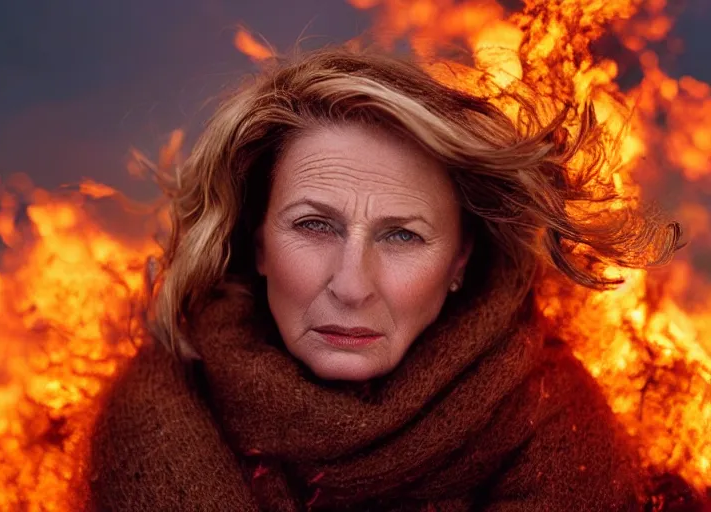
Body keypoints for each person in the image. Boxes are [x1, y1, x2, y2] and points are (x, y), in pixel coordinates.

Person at [85, 45, 680, 511]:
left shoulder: (558, 430)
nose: (352, 285)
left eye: (402, 236)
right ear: (257, 242)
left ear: (459, 264)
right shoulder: (154, 419)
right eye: (315, 225)